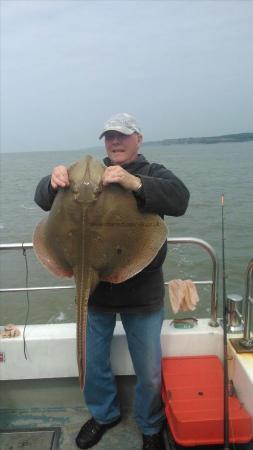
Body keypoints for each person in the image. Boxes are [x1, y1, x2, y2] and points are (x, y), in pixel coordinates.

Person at [34, 113, 190, 450]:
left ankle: (150, 425)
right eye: (109, 137)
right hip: (94, 293)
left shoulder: (152, 173)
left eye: (122, 136)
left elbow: (180, 199)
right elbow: (43, 199)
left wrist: (136, 184)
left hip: (142, 292)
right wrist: (53, 180)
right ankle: (104, 415)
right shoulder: (86, 175)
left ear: (139, 138)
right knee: (91, 362)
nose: (114, 142)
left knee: (148, 370)